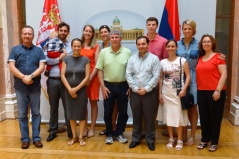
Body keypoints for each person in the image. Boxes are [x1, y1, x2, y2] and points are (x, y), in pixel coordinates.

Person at [8, 25, 46, 149]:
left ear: (33, 36)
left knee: (36, 113)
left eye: (29, 34)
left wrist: (31, 76)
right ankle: (25, 139)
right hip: (20, 87)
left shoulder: (39, 51)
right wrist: (24, 77)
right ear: (21, 35)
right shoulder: (14, 50)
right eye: (25, 33)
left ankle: (36, 138)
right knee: (22, 115)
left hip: (34, 87)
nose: (27, 36)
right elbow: (12, 67)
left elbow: (42, 67)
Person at [96, 29, 131, 144]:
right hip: (108, 86)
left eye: (117, 37)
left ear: (121, 39)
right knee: (107, 112)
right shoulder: (104, 52)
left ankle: (120, 133)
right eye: (112, 37)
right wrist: (102, 86)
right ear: (109, 39)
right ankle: (110, 134)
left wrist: (130, 87)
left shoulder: (127, 52)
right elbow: (99, 70)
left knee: (123, 112)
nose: (114, 39)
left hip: (123, 86)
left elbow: (131, 71)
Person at [126, 36, 161, 151]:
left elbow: (156, 76)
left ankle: (150, 140)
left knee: (150, 117)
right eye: (139, 44)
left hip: (150, 93)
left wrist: (146, 89)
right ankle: (135, 139)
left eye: (143, 44)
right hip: (135, 92)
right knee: (136, 117)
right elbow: (128, 75)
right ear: (136, 45)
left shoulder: (154, 59)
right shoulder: (132, 59)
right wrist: (136, 89)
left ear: (148, 45)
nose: (141, 46)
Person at [196, 34, 227, 152]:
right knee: (204, 117)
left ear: (212, 43)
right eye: (204, 42)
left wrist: (218, 90)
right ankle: (204, 140)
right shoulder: (200, 57)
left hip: (216, 92)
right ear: (201, 44)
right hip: (201, 91)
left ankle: (214, 142)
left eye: (209, 41)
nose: (206, 43)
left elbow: (224, 74)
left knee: (215, 118)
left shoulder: (219, 57)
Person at [159, 39, 190, 151]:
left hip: (178, 94)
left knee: (179, 117)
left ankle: (180, 139)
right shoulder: (162, 62)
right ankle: (171, 138)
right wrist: (160, 94)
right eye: (168, 46)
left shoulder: (182, 60)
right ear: (166, 48)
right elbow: (161, 78)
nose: (170, 48)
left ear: (176, 47)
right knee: (169, 116)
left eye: (173, 46)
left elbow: (188, 77)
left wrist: (184, 89)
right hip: (166, 93)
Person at [46, 22, 72, 142]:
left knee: (68, 107)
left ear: (68, 33)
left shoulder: (71, 46)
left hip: (66, 81)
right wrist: (58, 59)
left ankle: (71, 132)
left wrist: (65, 58)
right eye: (61, 30)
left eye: (65, 31)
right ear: (58, 31)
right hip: (52, 80)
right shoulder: (50, 43)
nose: (63, 33)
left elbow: (71, 62)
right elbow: (46, 60)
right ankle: (52, 131)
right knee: (53, 107)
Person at [61, 38, 90, 146]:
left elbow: (87, 77)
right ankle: (74, 137)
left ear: (81, 47)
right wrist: (70, 89)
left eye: (79, 46)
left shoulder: (86, 59)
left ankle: (81, 137)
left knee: (82, 114)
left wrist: (76, 89)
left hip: (81, 91)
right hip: (68, 91)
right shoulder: (66, 59)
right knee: (71, 114)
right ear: (71, 47)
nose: (77, 48)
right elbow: (63, 75)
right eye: (74, 46)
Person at [176, 19, 199, 145]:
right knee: (182, 106)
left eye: (189, 28)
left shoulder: (199, 44)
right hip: (179, 76)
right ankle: (183, 133)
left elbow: (207, 56)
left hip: (194, 77)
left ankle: (192, 135)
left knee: (193, 107)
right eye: (185, 28)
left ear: (193, 30)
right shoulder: (177, 44)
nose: (187, 31)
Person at [98, 25, 118, 136]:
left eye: (106, 32)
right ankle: (109, 128)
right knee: (107, 107)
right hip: (104, 81)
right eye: (101, 32)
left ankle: (114, 128)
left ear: (110, 34)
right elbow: (98, 66)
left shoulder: (115, 45)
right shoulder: (99, 47)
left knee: (115, 106)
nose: (104, 34)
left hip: (114, 80)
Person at [80, 25, 100, 138]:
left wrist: (90, 78)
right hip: (80, 79)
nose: (87, 33)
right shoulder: (79, 45)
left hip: (92, 78)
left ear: (92, 34)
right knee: (83, 104)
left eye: (90, 31)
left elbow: (97, 65)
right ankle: (85, 127)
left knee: (93, 103)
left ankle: (92, 127)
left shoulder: (96, 46)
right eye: (86, 31)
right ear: (83, 32)